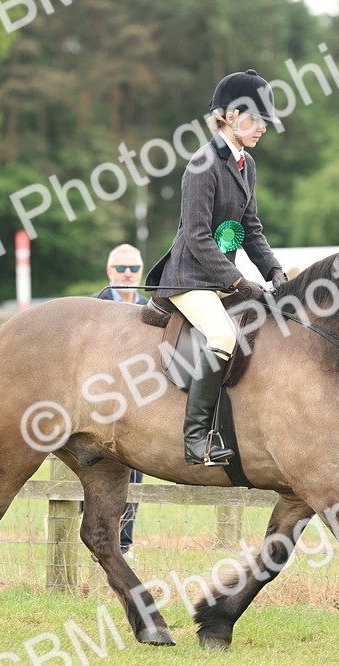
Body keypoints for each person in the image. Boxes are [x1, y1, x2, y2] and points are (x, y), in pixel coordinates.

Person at [146, 69, 288, 466]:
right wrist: (238, 281)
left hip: (220, 278)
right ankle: (194, 440)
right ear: (228, 115)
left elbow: (250, 228)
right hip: (190, 278)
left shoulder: (247, 165)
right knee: (224, 335)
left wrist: (274, 272)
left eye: (263, 121)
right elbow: (195, 234)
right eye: (256, 119)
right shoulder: (202, 164)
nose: (262, 128)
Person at [94, 244, 147, 559]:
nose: (128, 275)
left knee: (135, 476)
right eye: (121, 269)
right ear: (109, 272)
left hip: (137, 409)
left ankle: (124, 544)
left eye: (133, 269)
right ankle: (96, 539)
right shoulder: (93, 309)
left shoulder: (152, 309)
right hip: (96, 408)